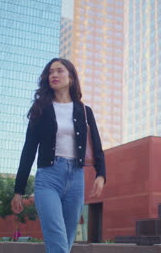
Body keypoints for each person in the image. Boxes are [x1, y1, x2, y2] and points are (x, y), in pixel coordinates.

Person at [11, 58, 106, 253]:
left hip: (76, 178)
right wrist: (18, 190)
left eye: (59, 71)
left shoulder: (84, 111)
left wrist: (101, 174)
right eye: (50, 72)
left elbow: (97, 146)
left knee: (66, 240)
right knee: (57, 237)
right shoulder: (41, 109)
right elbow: (28, 150)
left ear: (71, 77)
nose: (53, 75)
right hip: (48, 178)